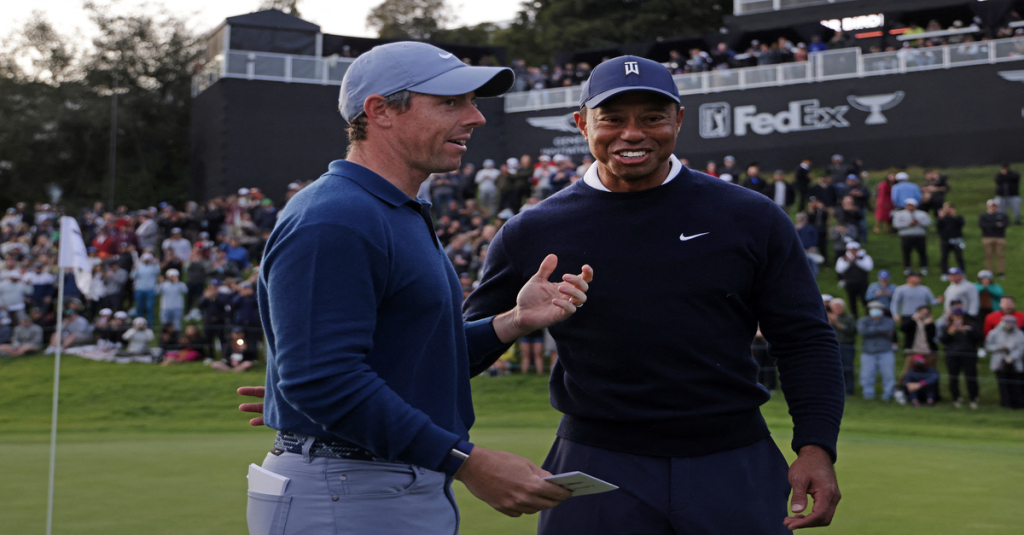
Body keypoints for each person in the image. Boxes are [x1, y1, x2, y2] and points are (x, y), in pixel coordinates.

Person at [462, 56, 843, 533]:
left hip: (732, 457)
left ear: (679, 121)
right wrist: (515, 320)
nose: (633, 133)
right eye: (613, 118)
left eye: (653, 117)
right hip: (595, 462)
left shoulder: (749, 216)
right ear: (582, 124)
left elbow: (804, 338)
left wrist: (816, 446)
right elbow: (458, 354)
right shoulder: (530, 231)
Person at [240, 42, 588, 535]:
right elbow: (320, 380)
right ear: (380, 110)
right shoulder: (337, 216)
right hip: (349, 486)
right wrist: (468, 461)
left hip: (371, 481)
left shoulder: (388, 210)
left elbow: (416, 357)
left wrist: (513, 321)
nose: (476, 117)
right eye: (450, 102)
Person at [939, 307, 982, 409]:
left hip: (968, 355)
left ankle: (973, 397)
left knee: (971, 377)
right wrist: (950, 332)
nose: (957, 318)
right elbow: (942, 340)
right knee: (953, 377)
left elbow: (979, 338)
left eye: (960, 316)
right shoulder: (946, 327)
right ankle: (956, 398)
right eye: (955, 316)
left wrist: (966, 331)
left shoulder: (971, 326)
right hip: (952, 356)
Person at [856, 301, 896, 400]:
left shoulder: (889, 320)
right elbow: (862, 331)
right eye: (873, 308)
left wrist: (871, 329)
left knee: (888, 375)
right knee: (867, 375)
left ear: (882, 310)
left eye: (878, 308)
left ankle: (888, 395)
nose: (876, 310)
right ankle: (868, 395)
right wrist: (880, 330)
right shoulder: (863, 320)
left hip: (885, 351)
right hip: (868, 352)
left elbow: (889, 328)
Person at [985, 315, 1024, 408]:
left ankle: (1018, 404)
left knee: (1016, 384)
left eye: (1011, 324)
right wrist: (1000, 347)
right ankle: (1005, 404)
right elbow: (988, 346)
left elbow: (1021, 348)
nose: (1009, 326)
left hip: (1014, 362)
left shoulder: (1020, 334)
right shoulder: (994, 333)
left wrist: (1012, 357)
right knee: (1003, 384)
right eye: (1007, 323)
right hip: (999, 362)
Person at [892, 198, 930, 276]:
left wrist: (918, 222)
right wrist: (908, 224)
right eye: (908, 205)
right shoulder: (899, 214)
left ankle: (924, 267)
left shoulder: (922, 214)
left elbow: (928, 223)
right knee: (906, 252)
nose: (910, 207)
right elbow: (896, 225)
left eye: (911, 205)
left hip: (919, 236)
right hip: (906, 236)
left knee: (922, 252)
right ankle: (907, 268)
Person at [835, 241, 872, 318]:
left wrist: (857, 260)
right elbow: (839, 269)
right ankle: (854, 319)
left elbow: (868, 267)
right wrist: (848, 262)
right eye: (851, 250)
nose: (853, 252)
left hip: (862, 283)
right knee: (852, 302)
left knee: (865, 301)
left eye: (855, 249)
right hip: (850, 283)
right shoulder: (842, 259)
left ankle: (869, 317)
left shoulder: (865, 257)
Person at [978, 198, 1009, 278]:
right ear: (988, 206)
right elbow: (982, 225)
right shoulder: (984, 216)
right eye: (991, 206)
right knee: (988, 255)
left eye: (995, 206)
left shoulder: (1002, 215)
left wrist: (990, 225)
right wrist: (996, 224)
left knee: (1000, 255)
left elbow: (1004, 225)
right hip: (987, 238)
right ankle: (989, 272)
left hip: (1000, 237)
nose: (993, 207)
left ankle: (1001, 272)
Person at [936, 202, 965, 280]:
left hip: (957, 240)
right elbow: (938, 226)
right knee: (944, 257)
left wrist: (954, 215)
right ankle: (944, 273)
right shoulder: (942, 219)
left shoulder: (958, 217)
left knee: (959, 257)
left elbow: (961, 224)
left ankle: (962, 273)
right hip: (945, 240)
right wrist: (940, 216)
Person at [130, 252, 161, 325]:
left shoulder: (154, 266)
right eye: (145, 259)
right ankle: (138, 323)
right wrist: (134, 269)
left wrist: (155, 264)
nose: (146, 260)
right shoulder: (138, 266)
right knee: (139, 307)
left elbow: (158, 272)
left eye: (148, 259)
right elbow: (132, 276)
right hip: (139, 289)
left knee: (150, 307)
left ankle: (150, 324)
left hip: (150, 289)